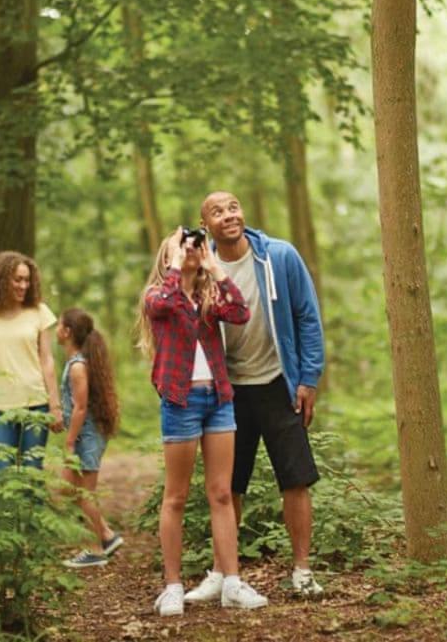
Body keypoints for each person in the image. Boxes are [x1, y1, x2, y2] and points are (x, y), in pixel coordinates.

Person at [186, 191, 326, 600]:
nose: (229, 215)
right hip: (226, 390)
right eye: (217, 211)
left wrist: (309, 378)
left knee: (296, 478)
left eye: (233, 207)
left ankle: (302, 570)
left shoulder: (279, 257)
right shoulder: (201, 268)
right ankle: (222, 574)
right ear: (205, 224)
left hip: (279, 384)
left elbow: (307, 316)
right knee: (227, 486)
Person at [138, 227, 269, 617]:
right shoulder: (159, 295)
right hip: (180, 400)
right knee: (176, 496)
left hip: (219, 400)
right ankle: (173, 586)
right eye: (182, 247)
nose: (191, 250)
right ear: (168, 259)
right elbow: (161, 304)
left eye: (194, 246)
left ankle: (231, 581)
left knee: (223, 493)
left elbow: (241, 312)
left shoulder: (212, 296)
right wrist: (178, 265)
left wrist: (214, 267)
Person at [0, 251, 63, 471]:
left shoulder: (39, 311)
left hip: (36, 405)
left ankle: (33, 507)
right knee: (1, 475)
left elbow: (47, 360)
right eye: (17, 279)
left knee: (32, 474)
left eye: (27, 280)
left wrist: (55, 406)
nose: (23, 286)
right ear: (0, 280)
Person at [57, 307, 124, 568]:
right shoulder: (75, 363)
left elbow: (81, 407)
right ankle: (107, 536)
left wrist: (70, 441)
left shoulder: (77, 367)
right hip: (84, 434)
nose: (56, 330)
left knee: (85, 494)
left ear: (67, 332)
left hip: (85, 436)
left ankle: (95, 549)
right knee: (70, 490)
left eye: (59, 325)